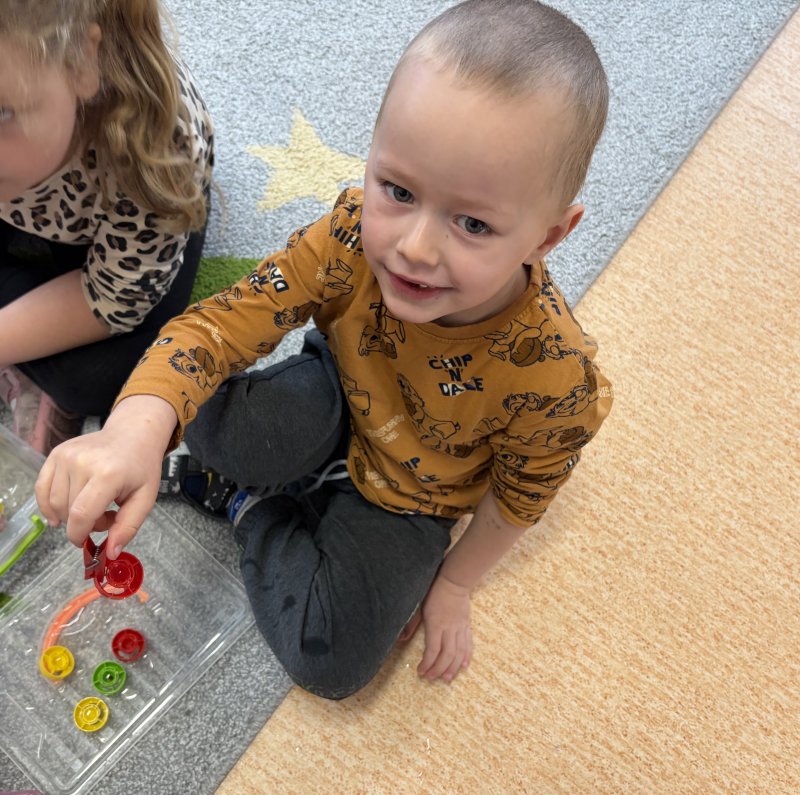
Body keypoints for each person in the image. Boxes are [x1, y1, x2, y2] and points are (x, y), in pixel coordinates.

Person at [36, 0, 613, 699]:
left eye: (472, 224)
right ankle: (240, 466)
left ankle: (247, 504)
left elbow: (519, 499)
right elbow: (218, 326)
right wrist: (134, 430)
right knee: (188, 401)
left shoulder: (556, 379)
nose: (414, 247)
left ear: (549, 237)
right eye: (397, 190)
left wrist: (456, 583)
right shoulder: (347, 236)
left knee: (332, 660)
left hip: (416, 496)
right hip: (335, 391)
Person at [0, 0, 214, 454]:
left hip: (120, 229)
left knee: (113, 376)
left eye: (2, 114)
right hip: (24, 195)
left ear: (81, 61)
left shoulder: (157, 145)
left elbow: (114, 298)